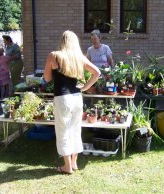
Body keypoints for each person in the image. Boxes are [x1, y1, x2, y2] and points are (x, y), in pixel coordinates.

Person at [44, 30, 100, 174]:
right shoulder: (78, 57)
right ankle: (74, 163)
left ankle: (67, 167)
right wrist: (86, 87)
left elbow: (47, 78)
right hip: (76, 98)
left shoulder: (54, 55)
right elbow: (97, 73)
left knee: (63, 131)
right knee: (75, 130)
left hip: (62, 98)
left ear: (62, 40)